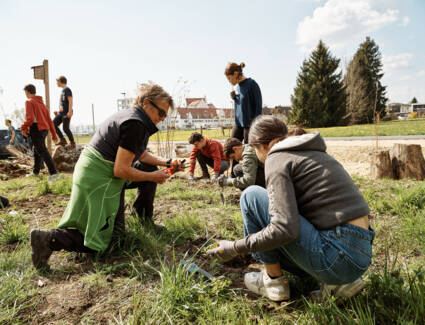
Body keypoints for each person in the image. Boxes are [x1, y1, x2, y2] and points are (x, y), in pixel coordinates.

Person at [207, 115, 374, 302]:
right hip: (361, 254)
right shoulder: (311, 153)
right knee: (286, 210)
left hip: (336, 256)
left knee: (251, 195)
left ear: (261, 146)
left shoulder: (276, 157)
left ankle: (273, 281)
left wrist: (235, 247)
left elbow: (285, 229)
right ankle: (339, 284)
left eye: (254, 150)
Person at [30, 84, 183, 271]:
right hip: (99, 176)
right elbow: (121, 170)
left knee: (147, 168)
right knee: (110, 241)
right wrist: (152, 177)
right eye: (161, 113)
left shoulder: (132, 116)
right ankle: (48, 239)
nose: (162, 119)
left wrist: (167, 163)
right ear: (146, 104)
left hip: (97, 170)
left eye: (165, 116)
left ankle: (143, 218)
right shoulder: (136, 124)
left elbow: (141, 155)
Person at [225, 62, 262, 176]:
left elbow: (258, 105)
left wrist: (255, 124)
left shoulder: (252, 84)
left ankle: (248, 174)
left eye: (230, 78)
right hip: (238, 123)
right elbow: (242, 105)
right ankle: (233, 174)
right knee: (231, 147)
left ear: (236, 73)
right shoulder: (238, 87)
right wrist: (235, 98)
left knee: (247, 150)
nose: (229, 81)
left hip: (249, 124)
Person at [21, 84, 58, 180]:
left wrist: (23, 127)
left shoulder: (29, 101)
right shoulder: (42, 104)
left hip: (36, 129)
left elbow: (30, 119)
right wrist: (54, 135)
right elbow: (49, 120)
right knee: (37, 151)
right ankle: (36, 172)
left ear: (27, 92)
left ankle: (54, 174)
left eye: (25, 92)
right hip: (44, 130)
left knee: (42, 151)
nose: (25, 94)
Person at [54, 75, 75, 148]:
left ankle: (72, 142)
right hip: (61, 112)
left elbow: (70, 101)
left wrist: (69, 112)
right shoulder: (62, 91)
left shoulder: (67, 90)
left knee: (65, 128)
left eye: (57, 81)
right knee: (53, 124)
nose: (56, 83)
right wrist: (58, 111)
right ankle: (63, 140)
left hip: (66, 112)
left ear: (60, 81)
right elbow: (63, 103)